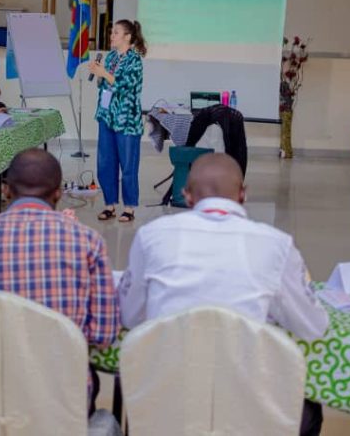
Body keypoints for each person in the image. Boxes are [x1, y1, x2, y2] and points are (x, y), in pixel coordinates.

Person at [118, 153, 329, 436]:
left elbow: (130, 316)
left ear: (187, 195)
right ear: (243, 194)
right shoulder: (276, 245)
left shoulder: (152, 235)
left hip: (167, 407)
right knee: (309, 407)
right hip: (247, 409)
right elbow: (313, 327)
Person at [0, 149, 119, 352]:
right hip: (61, 369)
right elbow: (104, 334)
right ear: (58, 193)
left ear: (5, 190)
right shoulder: (89, 243)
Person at [90, 19, 146, 223]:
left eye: (116, 32)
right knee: (106, 162)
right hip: (107, 116)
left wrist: (104, 73)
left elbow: (124, 85)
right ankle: (110, 205)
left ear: (127, 37)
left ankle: (129, 208)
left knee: (128, 165)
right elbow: (104, 84)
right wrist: (98, 74)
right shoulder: (112, 56)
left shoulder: (135, 60)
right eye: (112, 32)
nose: (111, 36)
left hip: (126, 120)